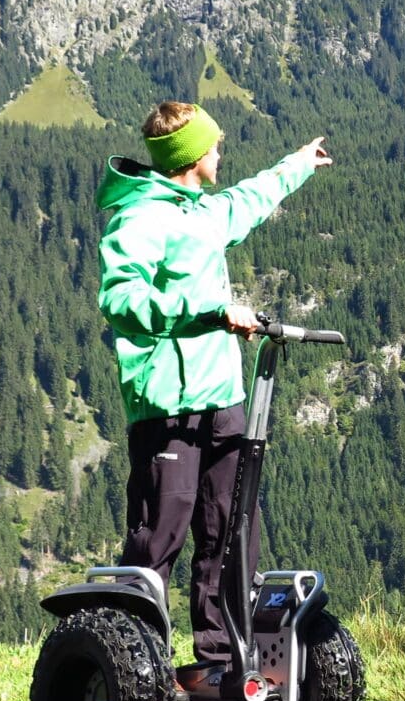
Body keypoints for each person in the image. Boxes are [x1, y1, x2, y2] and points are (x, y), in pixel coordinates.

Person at [96, 100, 332, 668]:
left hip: (223, 400)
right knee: (159, 537)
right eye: (215, 146)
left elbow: (249, 199)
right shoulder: (139, 218)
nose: (220, 153)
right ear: (193, 156)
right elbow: (119, 299)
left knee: (229, 535)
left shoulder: (202, 212)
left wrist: (298, 163)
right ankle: (133, 665)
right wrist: (207, 310)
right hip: (167, 409)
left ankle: (221, 660)